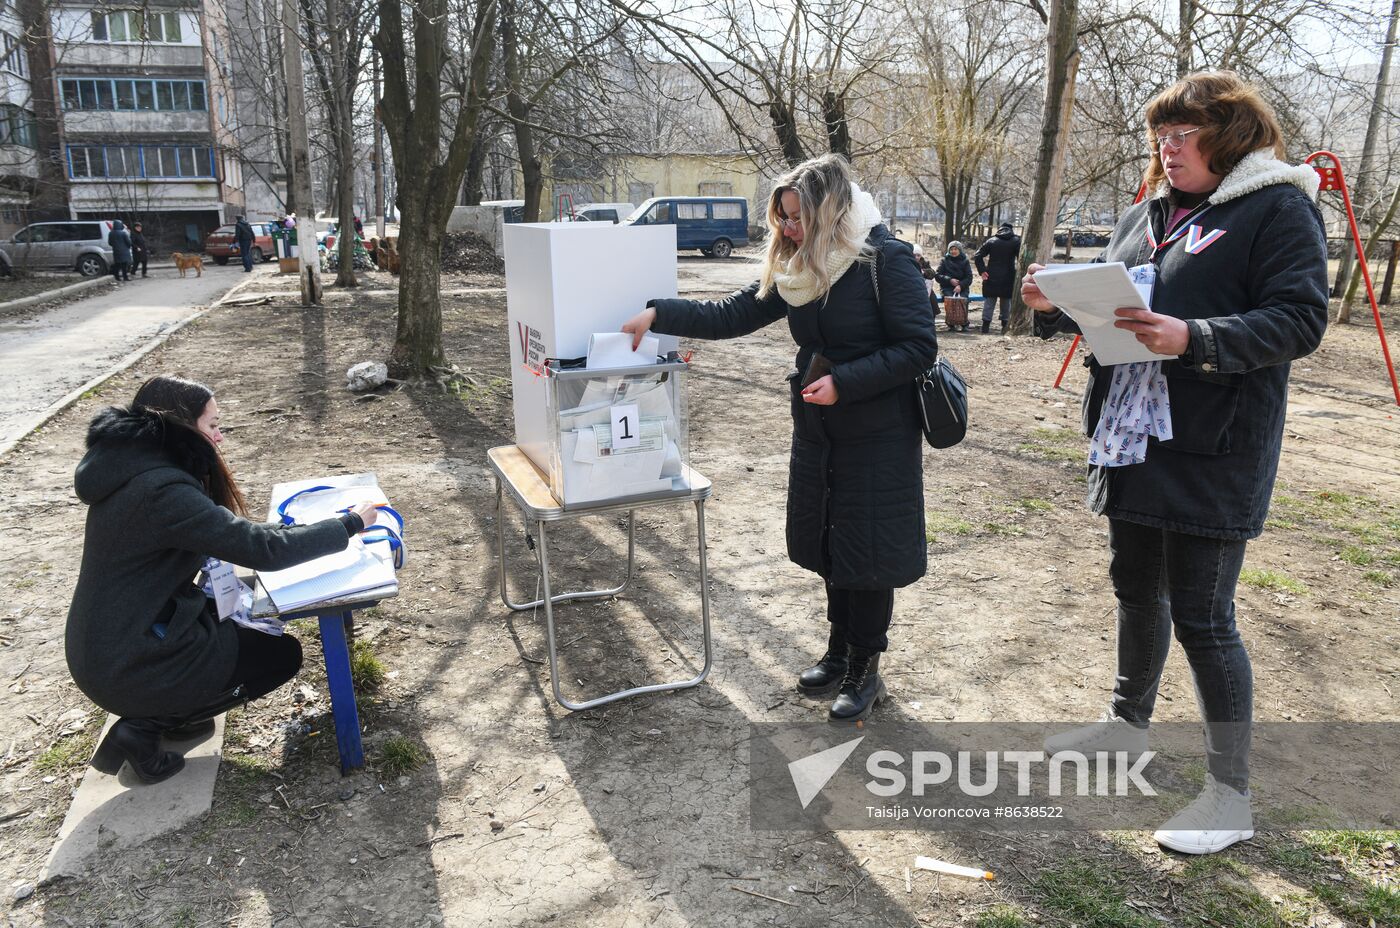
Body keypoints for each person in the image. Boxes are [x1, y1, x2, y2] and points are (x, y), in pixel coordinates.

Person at [1023, 71, 1328, 854]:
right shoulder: (1145, 213)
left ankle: (1230, 795)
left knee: (1204, 615)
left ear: (1230, 138)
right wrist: (1057, 307)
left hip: (1214, 446)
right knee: (1134, 586)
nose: (1168, 146)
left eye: (1184, 133)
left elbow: (1298, 319)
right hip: (1132, 437)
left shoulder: (1279, 207)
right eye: (1162, 133)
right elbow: (1109, 308)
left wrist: (1194, 337)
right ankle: (1127, 726)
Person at [621, 154, 937, 723]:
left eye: (797, 218)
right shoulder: (800, 270)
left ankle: (867, 666)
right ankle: (839, 650)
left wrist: (845, 382)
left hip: (878, 433)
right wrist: (658, 313)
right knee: (831, 541)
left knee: (868, 552)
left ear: (830, 213)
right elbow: (731, 313)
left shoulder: (884, 262)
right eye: (783, 218)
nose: (788, 229)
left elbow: (918, 349)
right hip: (821, 430)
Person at [66, 375, 380, 784]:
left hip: (111, 644)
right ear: (180, 425)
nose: (220, 436)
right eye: (212, 425)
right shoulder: (161, 491)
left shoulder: (131, 464)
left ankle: (170, 710)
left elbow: (231, 536)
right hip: (129, 660)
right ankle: (145, 727)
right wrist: (349, 523)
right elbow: (261, 549)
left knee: (244, 616)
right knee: (279, 655)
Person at [974, 222, 1020, 334]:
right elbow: (1021, 258)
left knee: (989, 301)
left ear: (999, 229)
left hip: (991, 275)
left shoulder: (991, 240)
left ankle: (985, 326)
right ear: (1011, 229)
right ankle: (1005, 327)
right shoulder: (1016, 241)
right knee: (1006, 302)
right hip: (1009, 275)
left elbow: (977, 255)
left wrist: (982, 271)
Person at [933, 241, 973, 332]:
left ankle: (964, 323)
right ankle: (951, 323)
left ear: (960, 250)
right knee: (950, 299)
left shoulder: (965, 261)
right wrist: (950, 280)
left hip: (962, 287)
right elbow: (938, 275)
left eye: (955, 249)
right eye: (951, 249)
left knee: (963, 299)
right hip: (947, 287)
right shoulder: (944, 260)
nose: (953, 251)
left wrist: (960, 285)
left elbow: (969, 277)